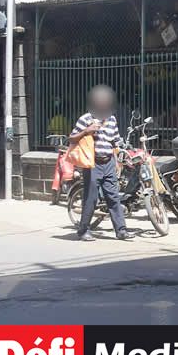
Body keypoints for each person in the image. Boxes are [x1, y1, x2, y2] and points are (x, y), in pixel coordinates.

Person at [69, 85, 131, 242]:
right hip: (92, 164)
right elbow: (71, 139)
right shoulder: (85, 119)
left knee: (113, 196)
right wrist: (87, 131)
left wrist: (122, 155)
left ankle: (121, 230)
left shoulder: (111, 119)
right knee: (91, 198)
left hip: (108, 161)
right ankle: (83, 230)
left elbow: (115, 140)